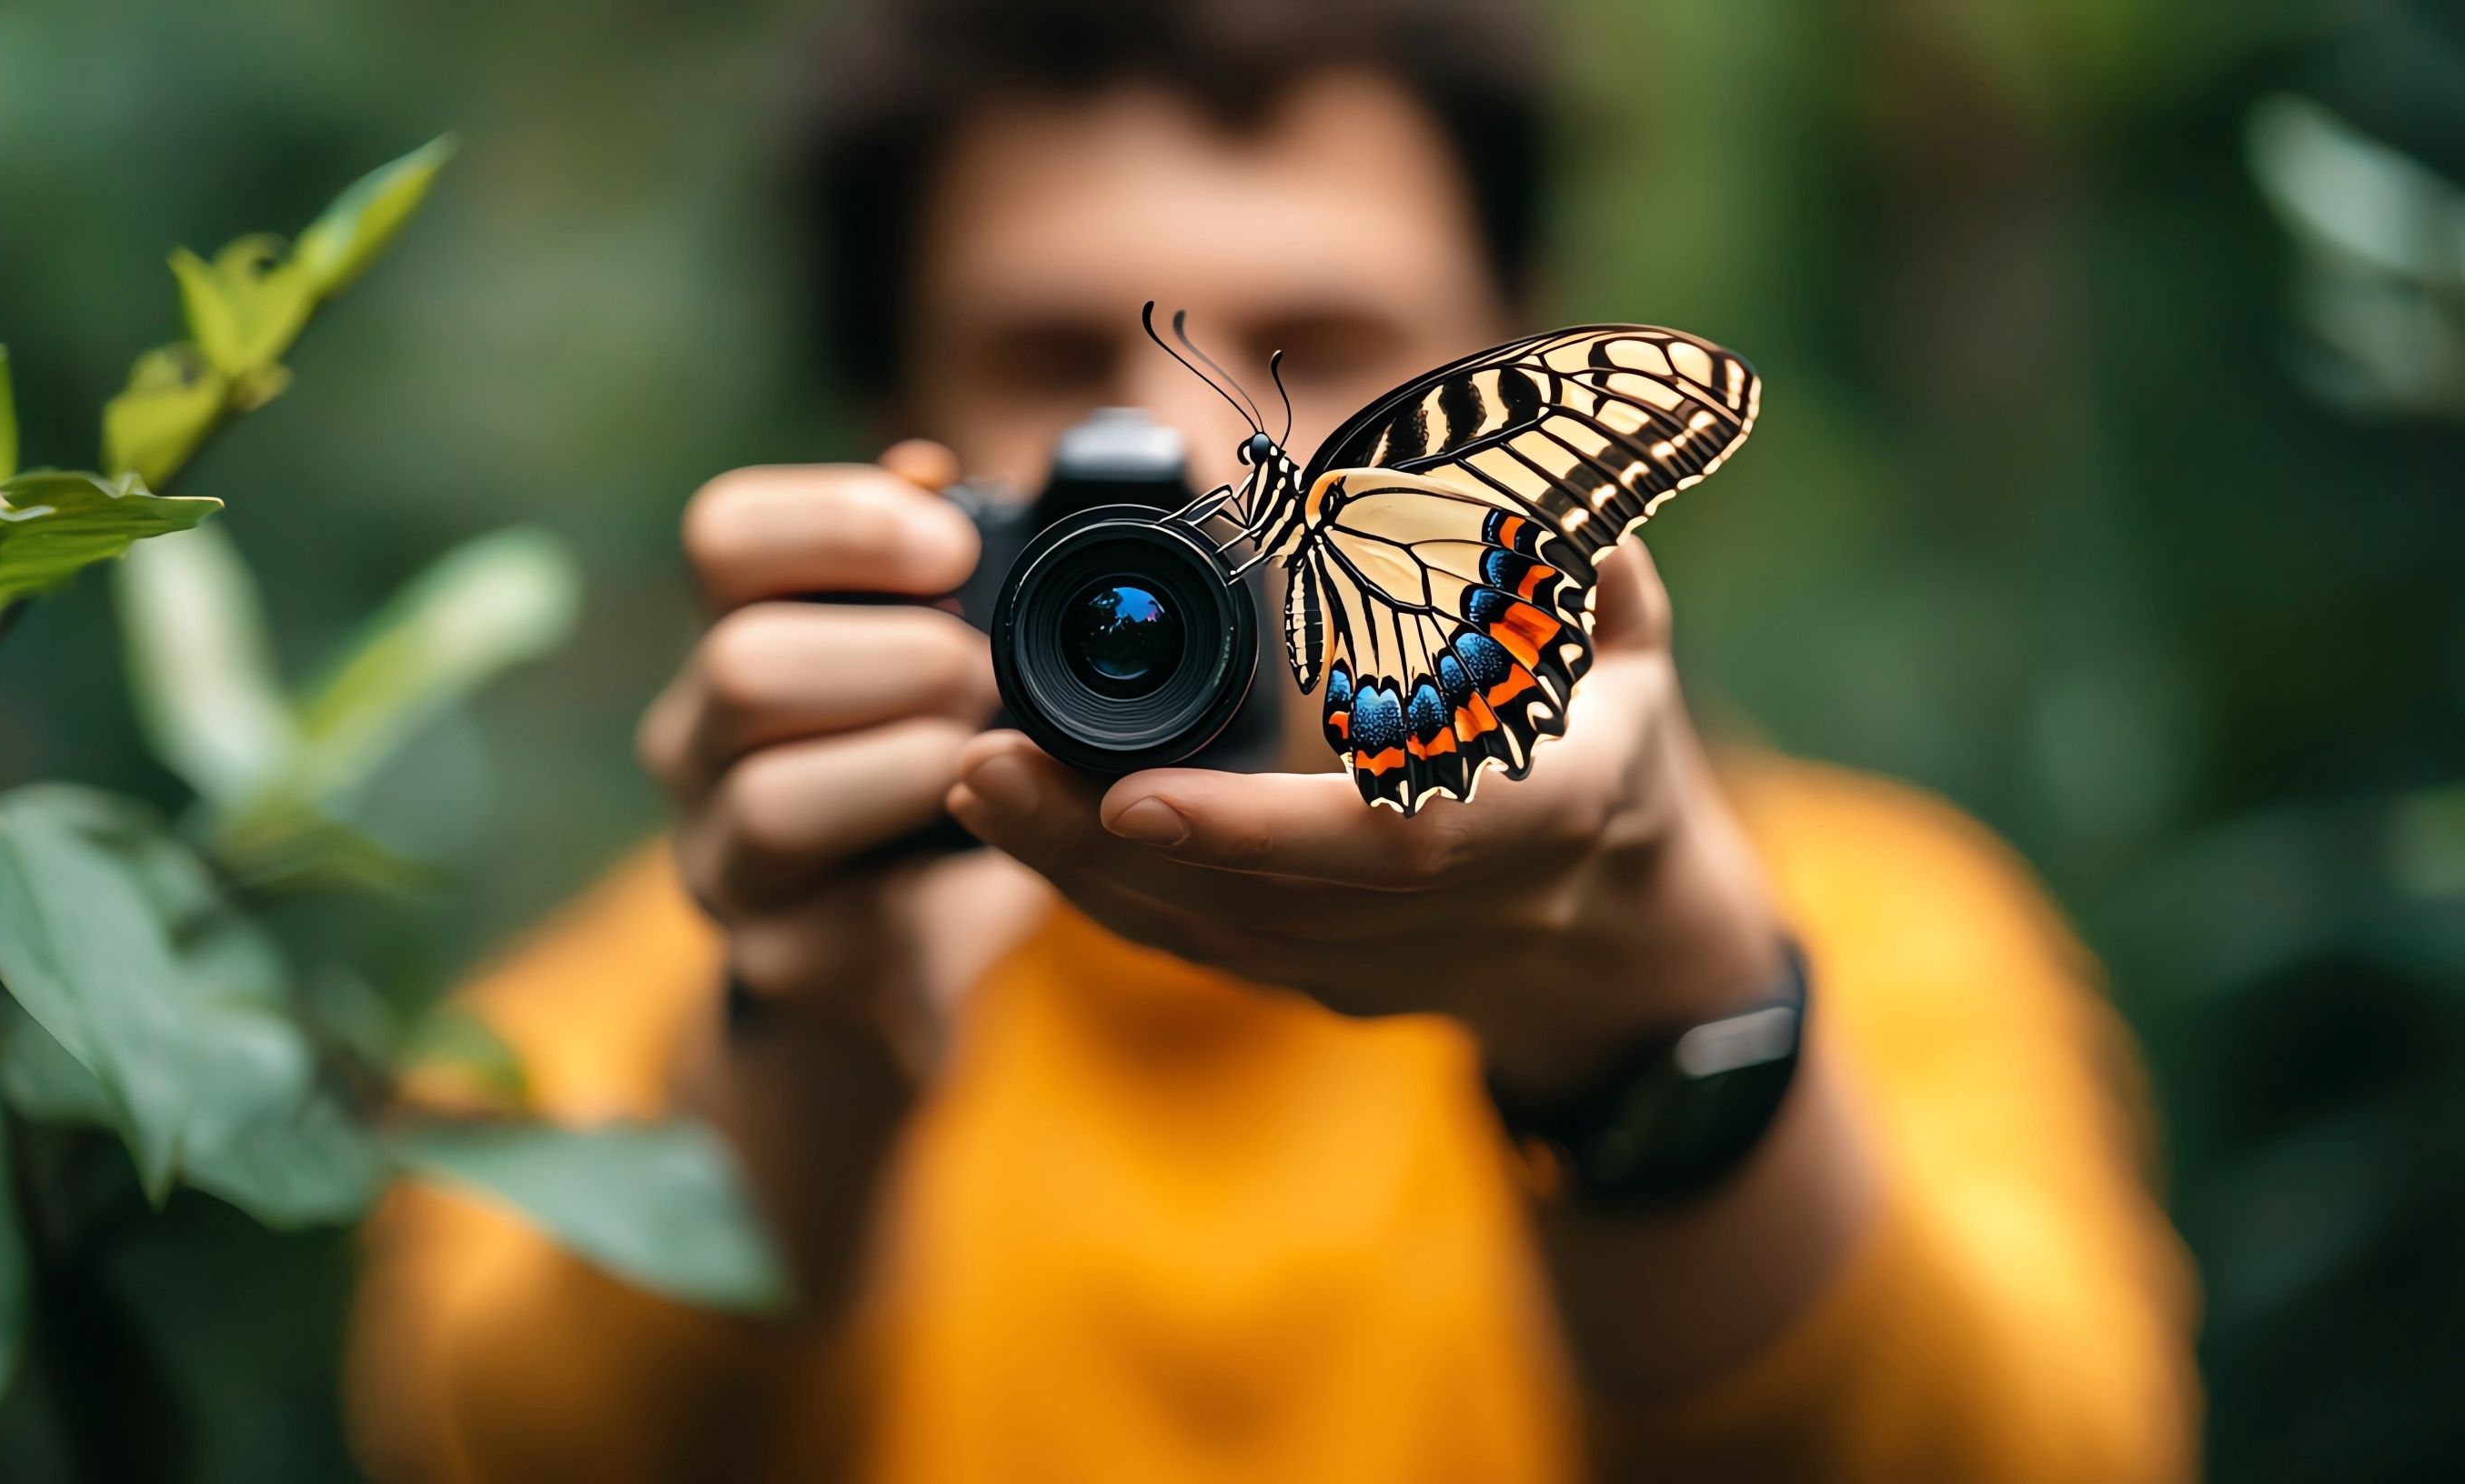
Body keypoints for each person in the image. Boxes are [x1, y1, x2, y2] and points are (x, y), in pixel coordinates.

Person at [348, 1, 2199, 1479]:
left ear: (1514, 353)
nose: (1177, 457)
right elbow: (479, 1444)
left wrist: (1653, 1003)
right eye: (1049, 353)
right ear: (897, 430)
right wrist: (810, 1042)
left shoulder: (1878, 928)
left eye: (1319, 341)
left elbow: (2057, 1452)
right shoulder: (624, 1012)